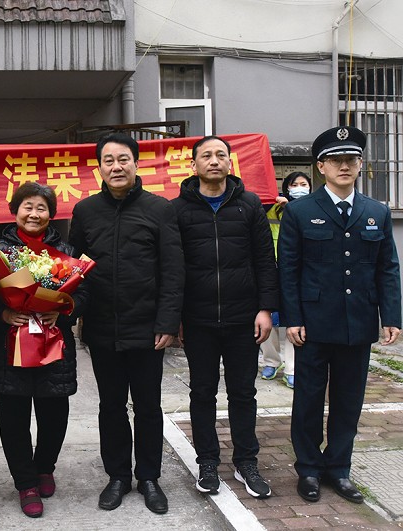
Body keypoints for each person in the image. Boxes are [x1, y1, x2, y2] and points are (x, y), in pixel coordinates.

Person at [279, 126, 401, 504]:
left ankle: (339, 468)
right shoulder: (299, 211)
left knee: (349, 400)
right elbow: (288, 270)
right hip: (313, 323)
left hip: (358, 322)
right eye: (336, 160)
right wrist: (293, 318)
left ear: (360, 164)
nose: (344, 166)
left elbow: (387, 268)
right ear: (321, 167)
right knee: (309, 400)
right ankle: (309, 468)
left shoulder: (376, 211)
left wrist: (391, 316)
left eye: (351, 159)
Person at [68, 133, 184, 514]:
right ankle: (117, 476)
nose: (116, 167)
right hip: (102, 327)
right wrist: (74, 313)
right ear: (99, 167)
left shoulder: (160, 209)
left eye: (123, 160)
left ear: (136, 163)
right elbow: (73, 270)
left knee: (148, 406)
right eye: (108, 161)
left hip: (148, 329)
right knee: (111, 406)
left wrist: (168, 321)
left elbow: (173, 270)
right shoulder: (85, 211)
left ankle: (149, 477)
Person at [172, 135, 279, 500]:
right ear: (194, 165)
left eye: (221, 154)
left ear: (230, 162)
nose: (214, 160)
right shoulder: (178, 210)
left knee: (243, 393)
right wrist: (176, 317)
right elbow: (173, 267)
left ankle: (246, 462)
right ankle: (207, 462)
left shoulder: (249, 204)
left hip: (243, 318)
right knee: (202, 393)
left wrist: (265, 308)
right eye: (207, 155)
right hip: (198, 319)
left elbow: (265, 260)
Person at [0, 182, 81, 518]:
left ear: (51, 214)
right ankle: (26, 483)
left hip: (54, 346)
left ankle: (45, 467)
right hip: (8, 350)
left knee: (55, 414)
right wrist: (3, 313)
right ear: (15, 210)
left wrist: (63, 309)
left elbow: (84, 294)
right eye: (28, 206)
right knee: (13, 418)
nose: (34, 214)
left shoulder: (66, 251)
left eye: (41, 208)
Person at [260, 172, 312, 389]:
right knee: (268, 318)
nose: (299, 188)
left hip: (298, 271)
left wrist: (291, 207)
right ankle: (271, 361)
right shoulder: (271, 208)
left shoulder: (312, 209)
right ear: (286, 188)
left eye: (303, 184)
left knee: (294, 319)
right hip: (272, 269)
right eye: (294, 184)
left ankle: (292, 368)